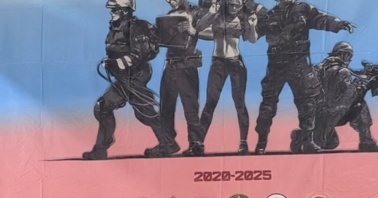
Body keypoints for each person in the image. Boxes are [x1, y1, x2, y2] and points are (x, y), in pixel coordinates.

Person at [252, 0, 353, 155]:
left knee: (307, 103)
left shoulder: (303, 9)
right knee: (268, 104)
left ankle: (308, 141)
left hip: (299, 64)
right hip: (276, 66)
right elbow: (254, 34)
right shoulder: (269, 15)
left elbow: (321, 19)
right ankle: (261, 142)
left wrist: (339, 24)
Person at [83, 0, 171, 161]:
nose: (111, 12)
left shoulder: (136, 28)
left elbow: (139, 55)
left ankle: (168, 143)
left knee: (140, 112)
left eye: (115, 10)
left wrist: (116, 63)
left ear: (125, 11)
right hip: (124, 76)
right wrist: (112, 63)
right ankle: (101, 148)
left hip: (136, 74)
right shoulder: (117, 27)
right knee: (110, 108)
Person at [198, 0, 259, 153]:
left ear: (240, 6)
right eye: (231, 4)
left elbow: (252, 39)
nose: (233, 8)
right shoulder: (216, 16)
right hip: (218, 62)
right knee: (210, 103)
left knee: (239, 103)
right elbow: (199, 28)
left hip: (235, 62)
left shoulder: (242, 19)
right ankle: (198, 142)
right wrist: (210, 14)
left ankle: (243, 142)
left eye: (237, 5)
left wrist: (252, 25)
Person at [153, 0, 208, 156]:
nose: (170, 1)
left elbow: (214, 33)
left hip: (187, 66)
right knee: (166, 108)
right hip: (170, 65)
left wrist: (193, 30)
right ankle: (168, 143)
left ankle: (196, 144)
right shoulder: (170, 15)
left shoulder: (198, 12)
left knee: (190, 108)